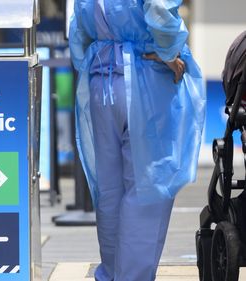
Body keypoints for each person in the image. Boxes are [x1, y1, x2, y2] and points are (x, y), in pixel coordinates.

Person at [69, 0, 206, 280]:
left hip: (101, 82)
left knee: (109, 190)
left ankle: (111, 273)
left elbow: (78, 32)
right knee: (148, 187)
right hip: (143, 79)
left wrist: (99, 58)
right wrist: (169, 51)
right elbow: (159, 8)